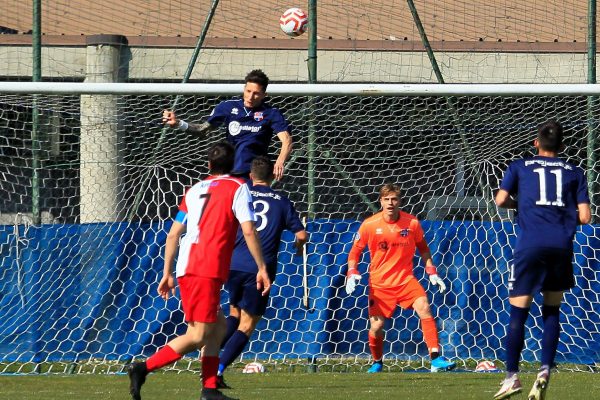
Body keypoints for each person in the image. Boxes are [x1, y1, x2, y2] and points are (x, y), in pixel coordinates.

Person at [126, 142, 272, 400]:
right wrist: (261, 267)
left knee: (218, 327)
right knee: (199, 334)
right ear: (236, 166)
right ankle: (142, 368)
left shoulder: (193, 190)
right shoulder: (238, 188)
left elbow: (173, 234)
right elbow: (248, 229)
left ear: (208, 165)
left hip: (189, 265)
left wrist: (167, 272)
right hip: (204, 267)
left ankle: (209, 389)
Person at [494, 120, 591, 400]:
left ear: (536, 142)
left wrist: (521, 204)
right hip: (560, 246)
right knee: (552, 310)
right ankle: (545, 369)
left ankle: (512, 376)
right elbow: (585, 217)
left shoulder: (519, 167)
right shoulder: (575, 172)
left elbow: (501, 200)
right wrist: (561, 214)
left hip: (530, 246)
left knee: (518, 313)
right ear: (562, 146)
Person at [216, 156, 308, 388]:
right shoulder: (281, 201)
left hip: (232, 264)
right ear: (274, 176)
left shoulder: (240, 194)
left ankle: (209, 357)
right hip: (259, 268)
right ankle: (216, 370)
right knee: (247, 324)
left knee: (234, 315)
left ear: (250, 176)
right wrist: (298, 248)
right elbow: (302, 235)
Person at [345, 183, 456, 373]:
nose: (390, 203)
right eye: (386, 199)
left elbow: (423, 248)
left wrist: (432, 271)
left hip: (406, 280)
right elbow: (355, 252)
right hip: (380, 284)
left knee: (425, 308)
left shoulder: (411, 223)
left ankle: (435, 359)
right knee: (376, 326)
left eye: (394, 199)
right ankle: (377, 361)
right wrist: (352, 272)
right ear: (380, 201)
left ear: (400, 201)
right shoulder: (369, 225)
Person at [162, 69, 292, 180]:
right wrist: (179, 123)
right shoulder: (228, 107)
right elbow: (202, 130)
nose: (250, 96)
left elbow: (286, 140)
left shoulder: (271, 113)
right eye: (248, 91)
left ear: (264, 95)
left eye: (256, 93)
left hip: (255, 174)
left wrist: (280, 161)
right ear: (244, 89)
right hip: (229, 172)